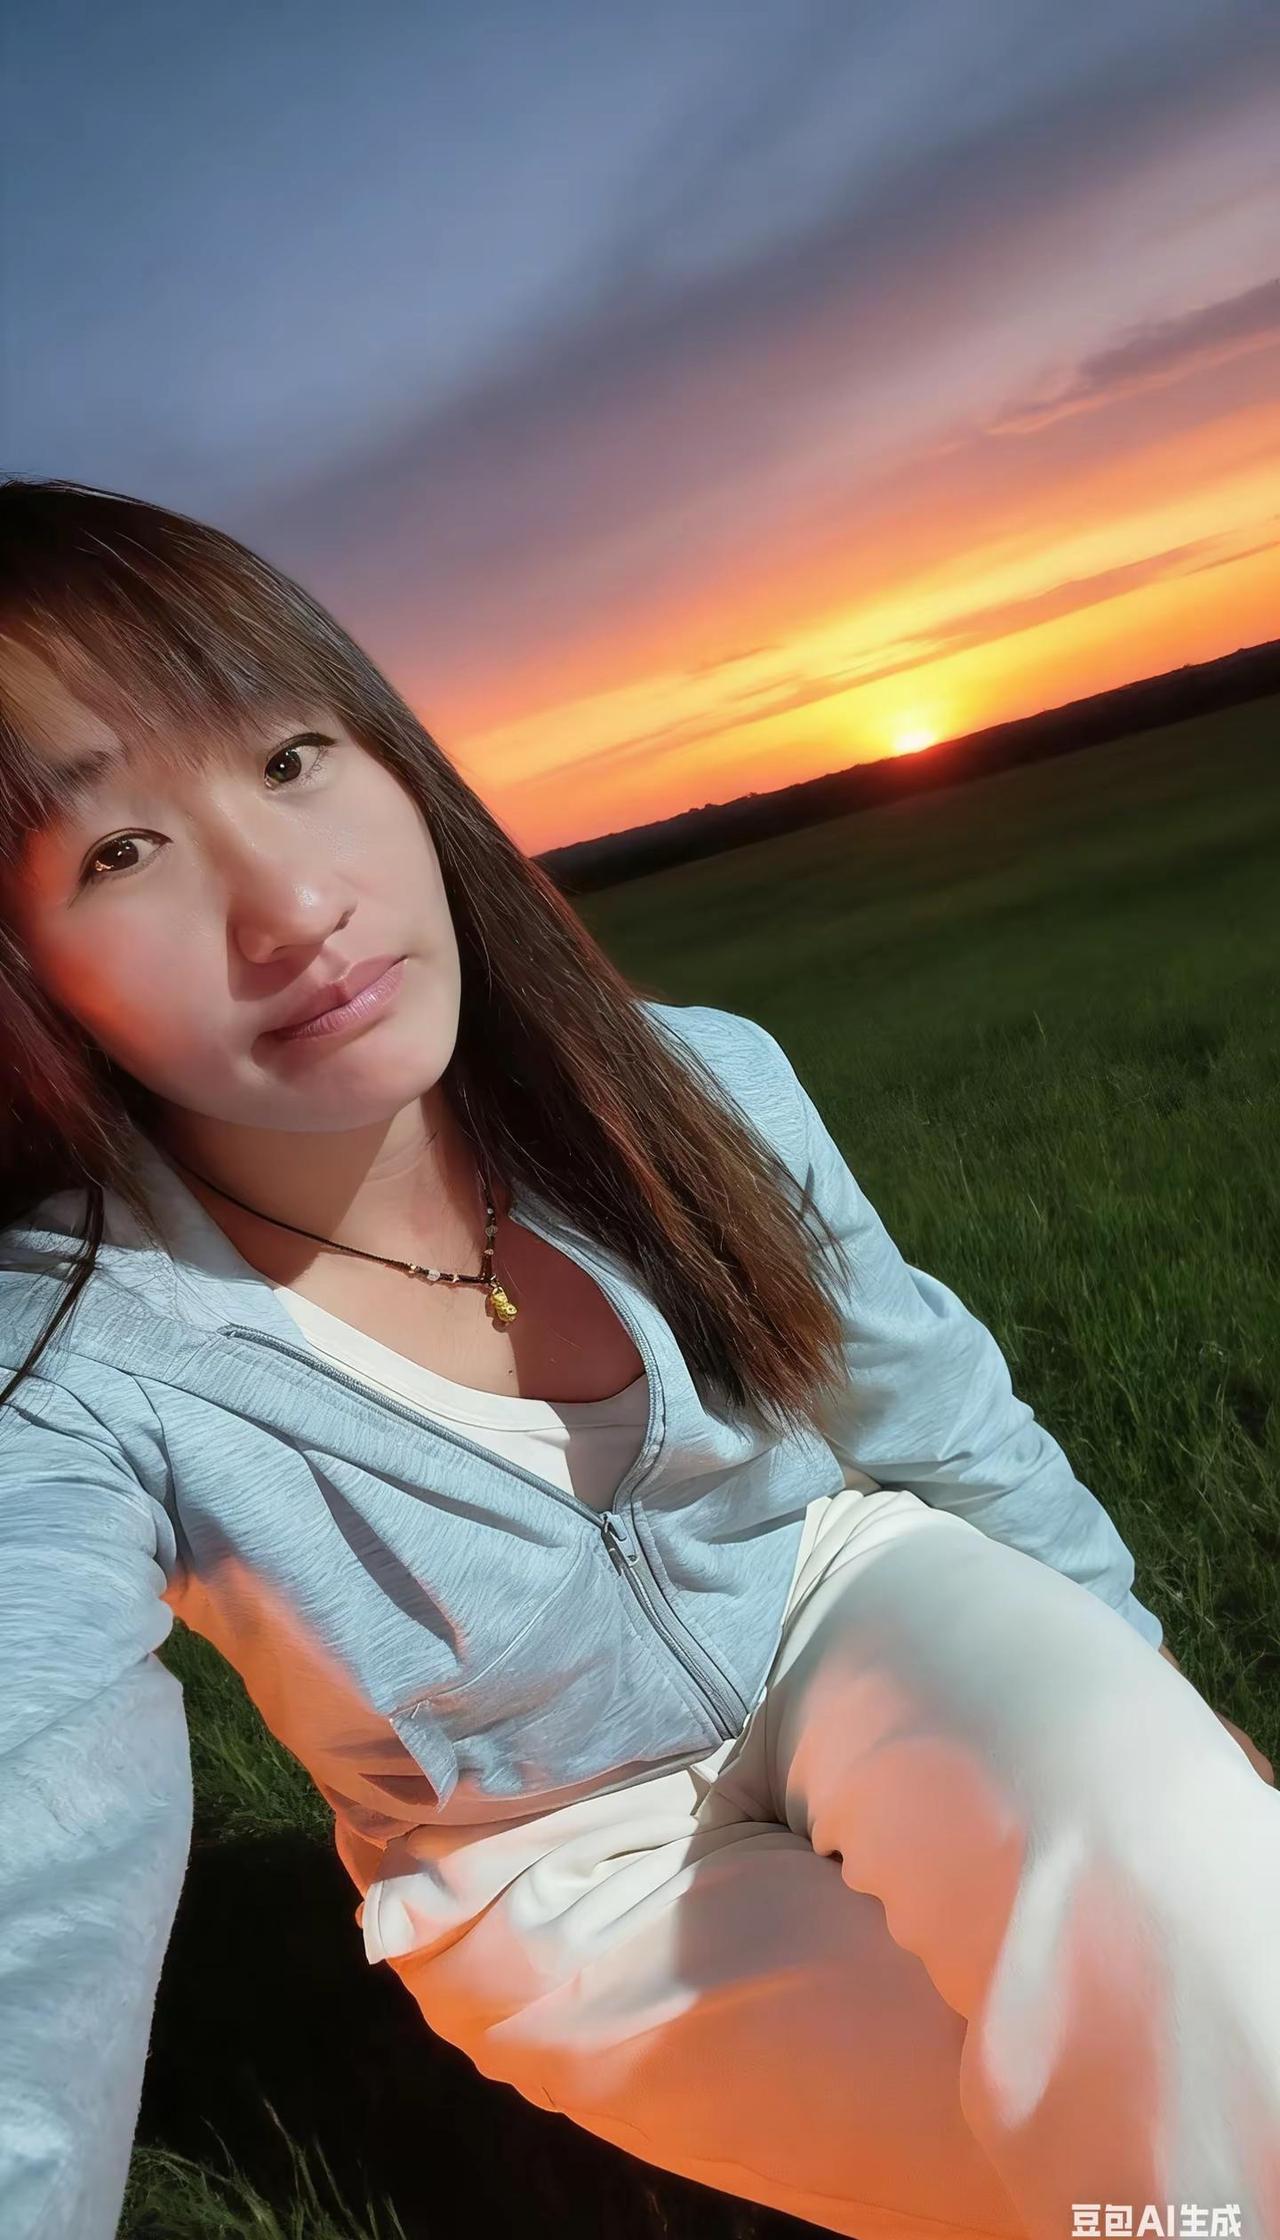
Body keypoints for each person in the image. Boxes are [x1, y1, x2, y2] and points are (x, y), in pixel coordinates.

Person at [0, 474, 1275, 2240]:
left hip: (843, 1596)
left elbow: (931, 1408)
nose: (292, 904)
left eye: (290, 756)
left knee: (1208, 1948)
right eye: (115, 853)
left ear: (392, 756)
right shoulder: (65, 1363)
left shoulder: (687, 1081)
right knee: (1089, 2175)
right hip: (537, 1865)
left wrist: (1159, 1706)